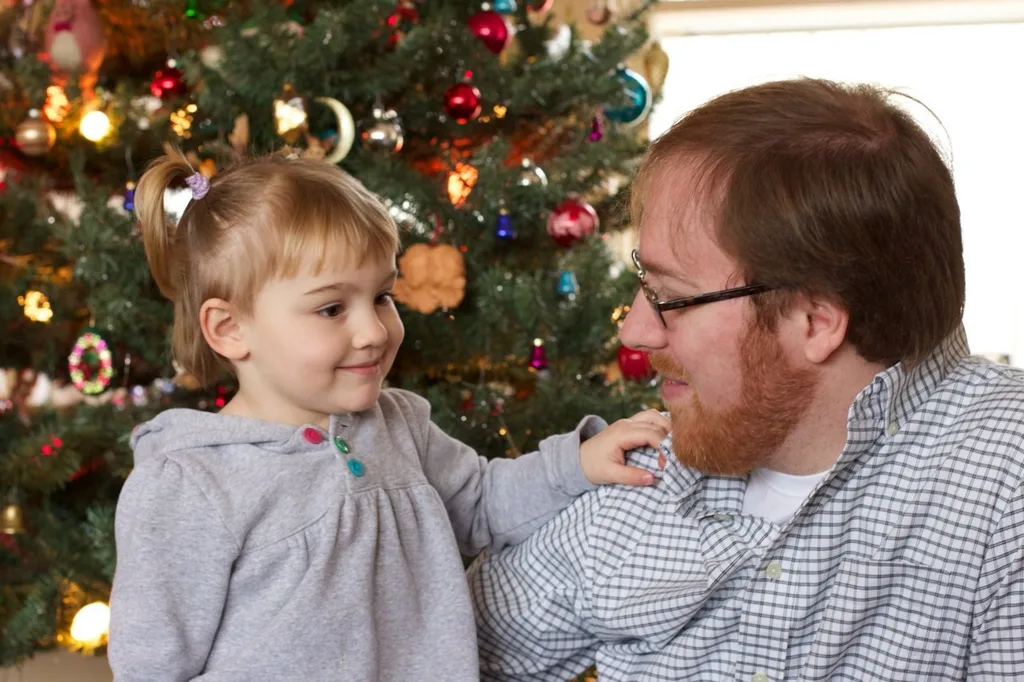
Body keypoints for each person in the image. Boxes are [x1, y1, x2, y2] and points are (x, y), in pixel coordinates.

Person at [469, 78, 1024, 681]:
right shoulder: (654, 468)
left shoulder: (1004, 489)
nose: (633, 332)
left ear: (815, 323)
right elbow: (428, 649)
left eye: (670, 297)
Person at [106, 150, 670, 681]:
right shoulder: (188, 483)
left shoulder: (396, 422)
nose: (374, 331)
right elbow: (152, 665)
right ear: (230, 328)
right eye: (331, 308)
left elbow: (480, 501)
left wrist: (575, 463)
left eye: (381, 296)